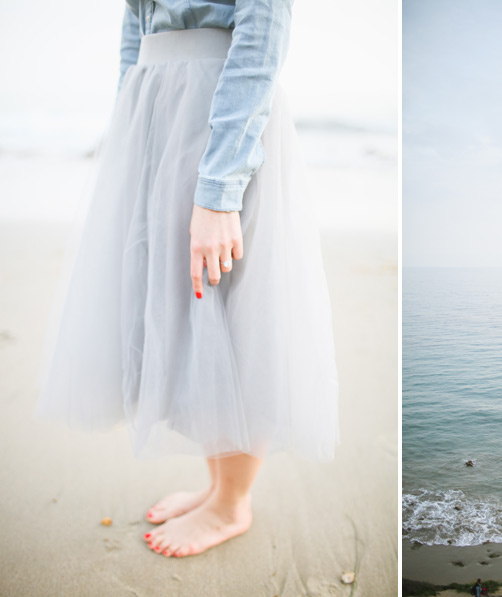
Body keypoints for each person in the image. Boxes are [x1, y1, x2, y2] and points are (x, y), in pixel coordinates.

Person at [35, 0, 339, 558]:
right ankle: (217, 486)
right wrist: (129, 123)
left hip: (217, 113)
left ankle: (232, 503)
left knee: (232, 304)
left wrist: (219, 188)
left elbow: (262, 30)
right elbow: (136, 23)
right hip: (156, 113)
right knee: (192, 310)